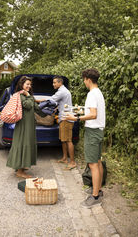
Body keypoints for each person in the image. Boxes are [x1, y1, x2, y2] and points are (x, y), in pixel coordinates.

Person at [65, 68, 105, 208]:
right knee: (97, 162)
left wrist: (76, 118)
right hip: (98, 131)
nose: (84, 82)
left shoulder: (92, 94)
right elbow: (93, 112)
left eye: (84, 79)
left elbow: (93, 114)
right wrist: (80, 110)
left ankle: (95, 197)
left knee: (93, 164)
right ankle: (98, 190)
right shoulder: (98, 92)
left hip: (93, 132)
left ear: (88, 79)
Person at [6, 76, 46, 179]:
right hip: (23, 124)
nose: (29, 86)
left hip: (29, 124)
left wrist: (47, 110)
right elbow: (28, 105)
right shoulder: (20, 95)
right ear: (21, 84)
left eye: (30, 84)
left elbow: (35, 108)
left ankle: (22, 166)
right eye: (27, 84)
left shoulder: (28, 95)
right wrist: (29, 96)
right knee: (23, 143)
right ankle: (19, 171)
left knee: (27, 143)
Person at [51, 75, 76, 169]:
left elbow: (51, 100)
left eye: (54, 82)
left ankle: (72, 162)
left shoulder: (62, 91)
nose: (53, 84)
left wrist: (36, 100)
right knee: (63, 140)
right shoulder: (63, 91)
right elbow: (61, 103)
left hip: (66, 118)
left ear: (60, 83)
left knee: (68, 140)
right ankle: (65, 158)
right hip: (63, 117)